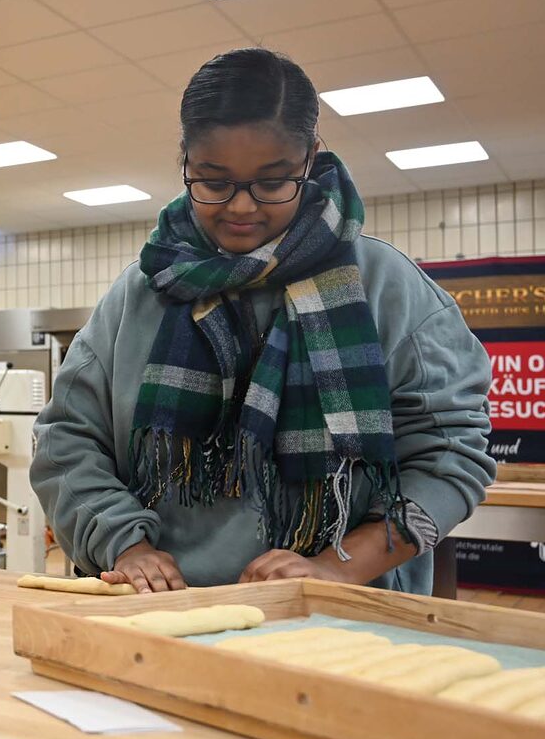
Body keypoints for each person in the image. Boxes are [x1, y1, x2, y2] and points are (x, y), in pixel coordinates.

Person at [31, 48, 495, 595]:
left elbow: (450, 454)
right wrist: (126, 545)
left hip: (341, 613)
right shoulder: (141, 292)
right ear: (185, 161)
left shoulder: (386, 286)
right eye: (213, 181)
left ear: (310, 159)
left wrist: (337, 567)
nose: (243, 207)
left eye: (273, 182)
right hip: (164, 611)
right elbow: (66, 440)